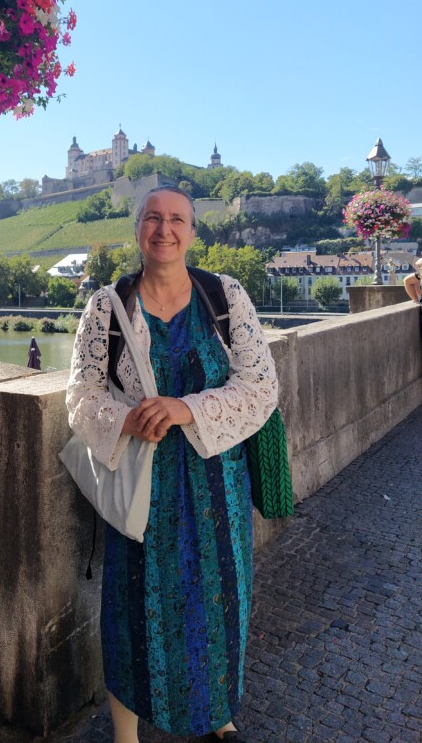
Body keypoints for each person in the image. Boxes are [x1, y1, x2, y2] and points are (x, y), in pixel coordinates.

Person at [66, 186, 278, 743]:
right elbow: (81, 397)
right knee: (133, 612)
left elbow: (261, 386)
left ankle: (217, 713)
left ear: (192, 230)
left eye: (177, 219)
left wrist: (186, 407)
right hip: (143, 486)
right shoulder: (107, 308)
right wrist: (127, 419)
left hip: (218, 486)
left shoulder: (224, 296)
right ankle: (126, 733)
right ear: (138, 228)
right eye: (153, 218)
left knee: (219, 605)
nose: (165, 229)